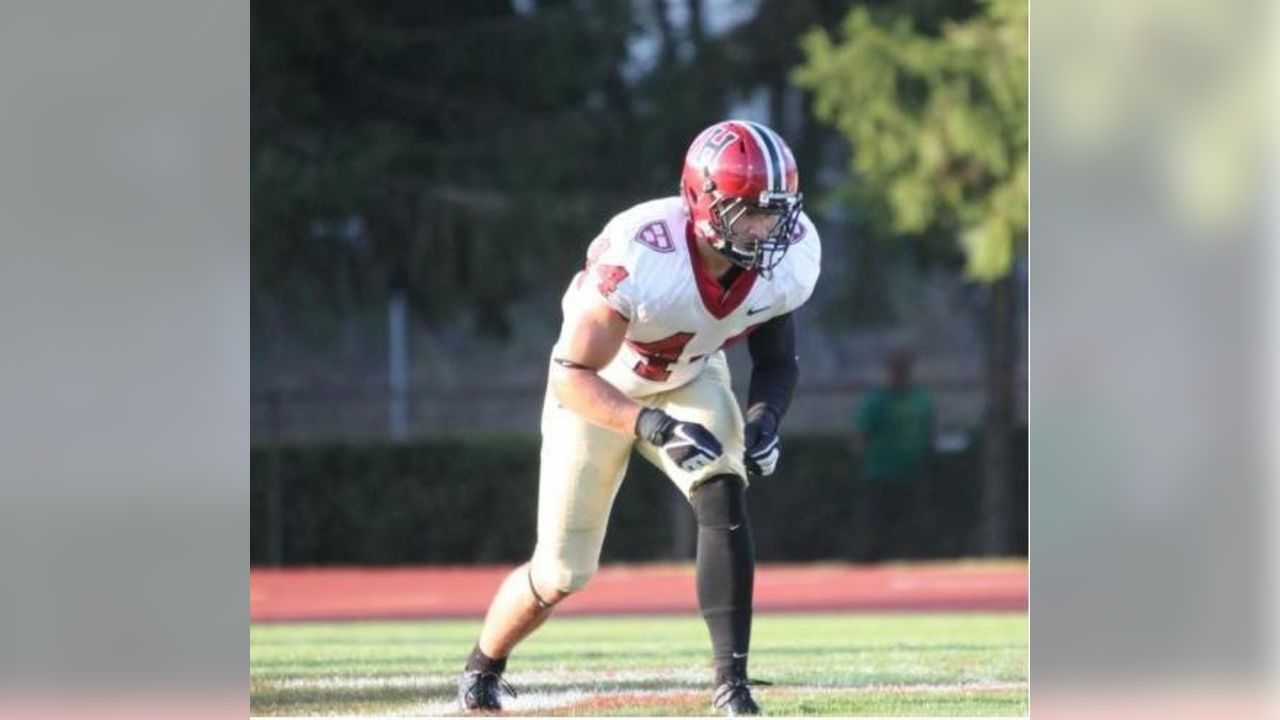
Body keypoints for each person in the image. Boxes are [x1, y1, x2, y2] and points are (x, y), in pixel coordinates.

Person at [456, 120, 821, 716]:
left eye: (773, 212)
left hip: (689, 376)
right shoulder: (644, 254)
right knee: (562, 572)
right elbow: (570, 373)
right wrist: (651, 426)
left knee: (723, 483)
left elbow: (778, 359)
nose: (765, 228)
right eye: (748, 211)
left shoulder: (789, 256)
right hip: (599, 391)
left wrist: (765, 417)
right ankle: (483, 666)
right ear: (704, 203)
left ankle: (731, 686)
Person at [852, 349, 935, 560]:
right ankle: (870, 564)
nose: (901, 374)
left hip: (911, 473)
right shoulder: (877, 400)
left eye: (904, 369)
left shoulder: (921, 399)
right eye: (896, 369)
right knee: (876, 524)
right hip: (880, 474)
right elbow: (861, 436)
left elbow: (929, 431)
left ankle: (913, 559)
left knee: (913, 524)